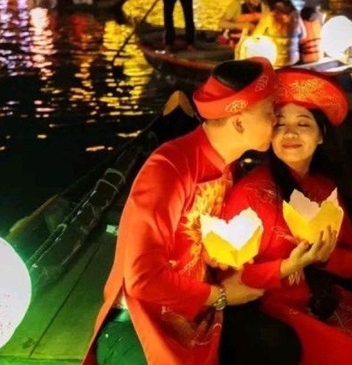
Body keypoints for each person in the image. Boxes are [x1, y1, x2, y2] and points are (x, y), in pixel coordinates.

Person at [83, 58, 295, 365]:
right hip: (137, 321)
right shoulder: (169, 168)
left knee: (280, 343)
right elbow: (143, 278)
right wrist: (221, 295)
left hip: (196, 312)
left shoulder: (228, 166)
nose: (276, 120)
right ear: (238, 122)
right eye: (269, 112)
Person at [221, 69, 352, 365]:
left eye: (303, 123)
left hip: (318, 296)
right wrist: (290, 265)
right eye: (280, 123)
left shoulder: (324, 189)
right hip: (268, 307)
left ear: (321, 135)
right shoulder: (250, 193)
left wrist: (323, 257)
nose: (290, 134)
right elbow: (232, 277)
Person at [248, 0, 304, 68]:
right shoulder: (295, 13)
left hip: (276, 61)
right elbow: (303, 35)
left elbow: (255, 36)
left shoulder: (270, 15)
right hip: (294, 60)